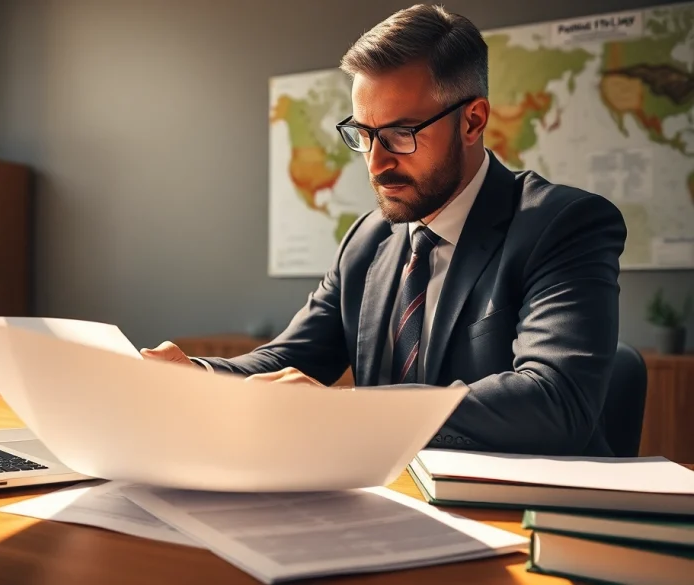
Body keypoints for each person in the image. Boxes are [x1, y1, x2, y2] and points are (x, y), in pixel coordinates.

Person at [141, 4, 627, 456]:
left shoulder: (564, 224)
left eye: (400, 134)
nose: (376, 163)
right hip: (391, 505)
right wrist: (195, 376)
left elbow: (555, 400)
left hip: (523, 517)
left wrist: (349, 409)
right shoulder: (369, 239)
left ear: (473, 121)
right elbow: (291, 359)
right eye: (363, 134)